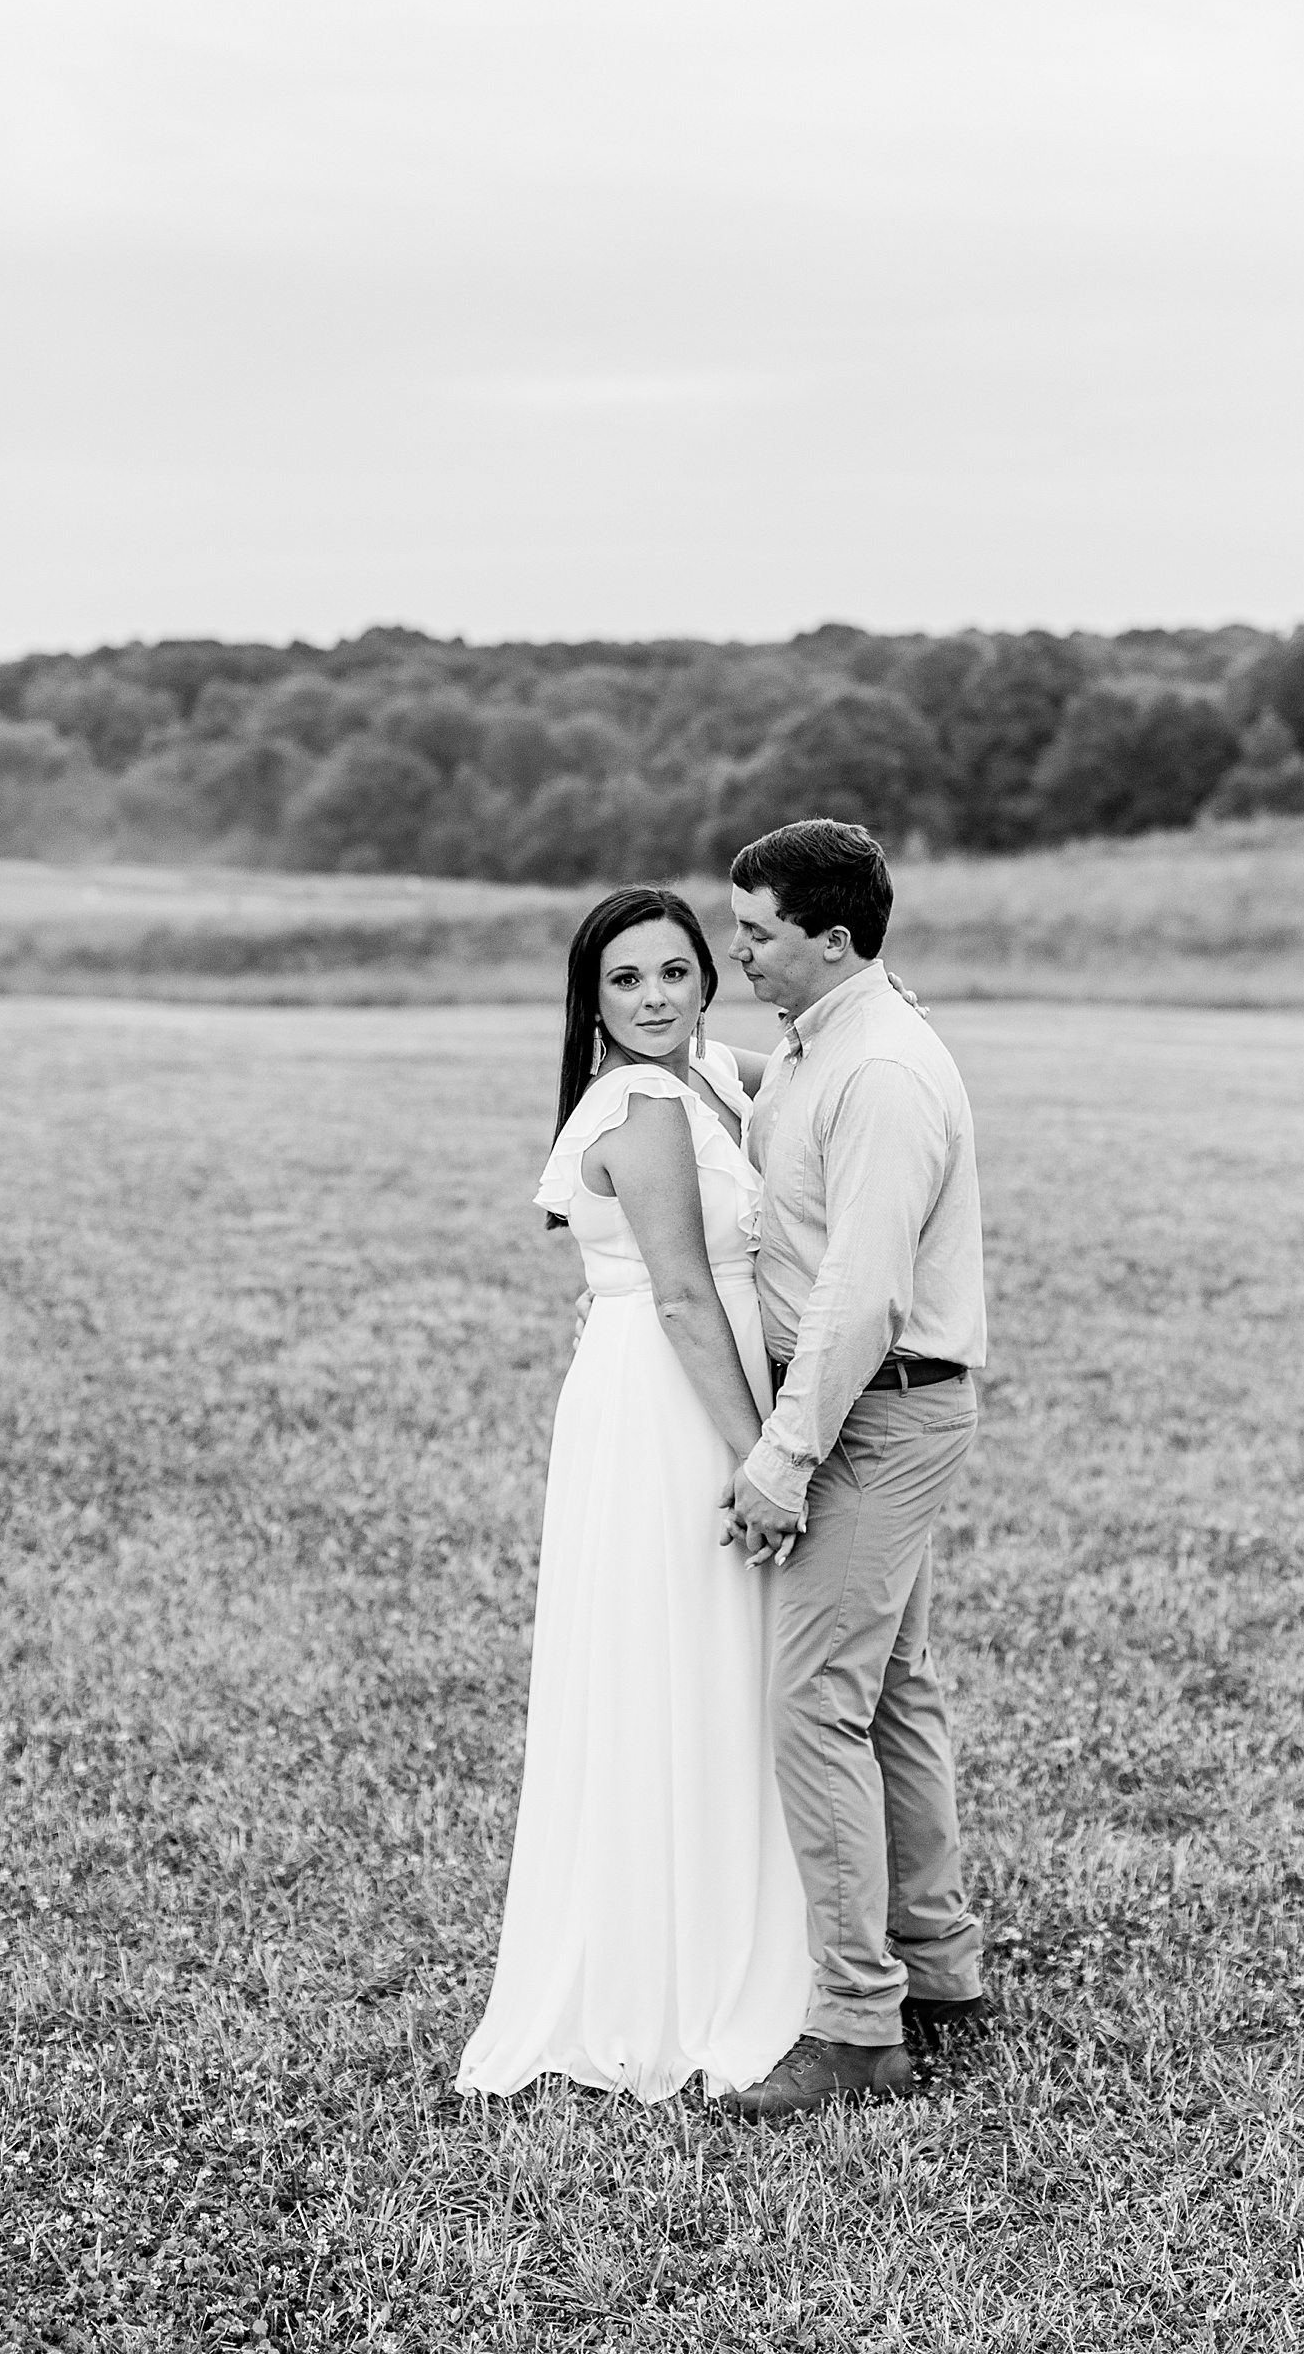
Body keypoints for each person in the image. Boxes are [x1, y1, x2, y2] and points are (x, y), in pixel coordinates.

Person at [454, 885, 812, 2104]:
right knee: (685, 1661)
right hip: (674, 1400)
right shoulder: (648, 1101)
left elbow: (811, 1049)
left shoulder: (710, 1067)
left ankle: (747, 1930)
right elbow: (678, 1294)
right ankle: (682, 1969)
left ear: (706, 978)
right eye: (627, 980)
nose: (656, 996)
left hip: (667, 1382)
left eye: (674, 971)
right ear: (591, 998)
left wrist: (867, 1009)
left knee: (715, 1662)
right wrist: (767, 1453)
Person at [717, 817, 988, 2125]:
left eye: (758, 931)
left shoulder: (881, 1071)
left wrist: (784, 1451)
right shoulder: (829, 1041)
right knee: (894, 1695)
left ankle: (856, 2022)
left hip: (878, 1414)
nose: (738, 953)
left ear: (832, 936)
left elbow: (863, 1291)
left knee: (815, 1703)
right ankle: (940, 1976)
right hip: (883, 1411)